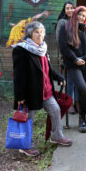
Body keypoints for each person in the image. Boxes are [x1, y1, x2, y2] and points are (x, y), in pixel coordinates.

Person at [12, 21, 72, 157]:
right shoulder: (21, 50)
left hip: (46, 91)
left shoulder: (42, 48)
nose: (40, 35)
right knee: (28, 119)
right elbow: (19, 75)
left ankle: (56, 136)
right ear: (30, 34)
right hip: (30, 93)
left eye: (42, 32)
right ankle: (25, 146)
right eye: (36, 32)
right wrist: (20, 96)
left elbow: (47, 68)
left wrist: (59, 77)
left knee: (55, 110)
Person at [59, 6, 86, 133]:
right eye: (79, 14)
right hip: (72, 64)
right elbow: (63, 47)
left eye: (83, 15)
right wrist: (75, 59)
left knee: (83, 92)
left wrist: (84, 58)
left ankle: (82, 120)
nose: (81, 17)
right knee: (82, 88)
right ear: (75, 15)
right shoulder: (66, 27)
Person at [55, 1, 79, 114]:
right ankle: (69, 103)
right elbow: (59, 41)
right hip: (67, 56)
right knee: (69, 81)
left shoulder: (78, 21)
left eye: (72, 8)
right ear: (64, 10)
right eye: (67, 8)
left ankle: (77, 103)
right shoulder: (62, 22)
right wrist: (64, 55)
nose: (69, 10)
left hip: (78, 56)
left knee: (78, 81)